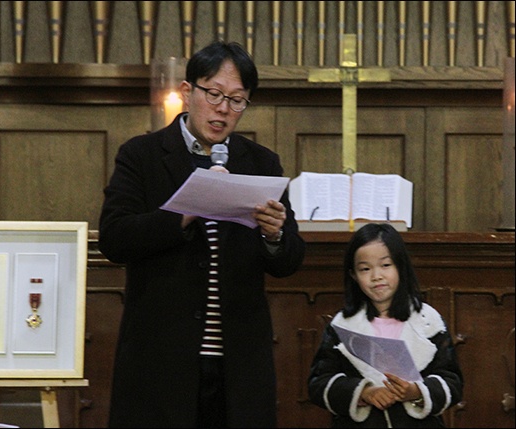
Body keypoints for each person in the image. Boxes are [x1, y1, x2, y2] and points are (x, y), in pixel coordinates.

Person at [98, 40, 306, 428]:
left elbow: (289, 260)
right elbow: (114, 237)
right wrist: (184, 212)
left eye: (237, 100)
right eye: (215, 94)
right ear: (188, 92)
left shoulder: (260, 162)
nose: (224, 109)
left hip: (237, 363)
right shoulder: (142, 155)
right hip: (162, 360)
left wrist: (275, 235)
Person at [308, 223, 463, 428]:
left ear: (401, 266)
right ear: (353, 275)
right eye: (365, 269)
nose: (376, 276)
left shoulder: (429, 321)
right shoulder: (342, 325)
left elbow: (452, 382)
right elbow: (318, 382)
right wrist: (363, 392)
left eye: (386, 265)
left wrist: (415, 392)